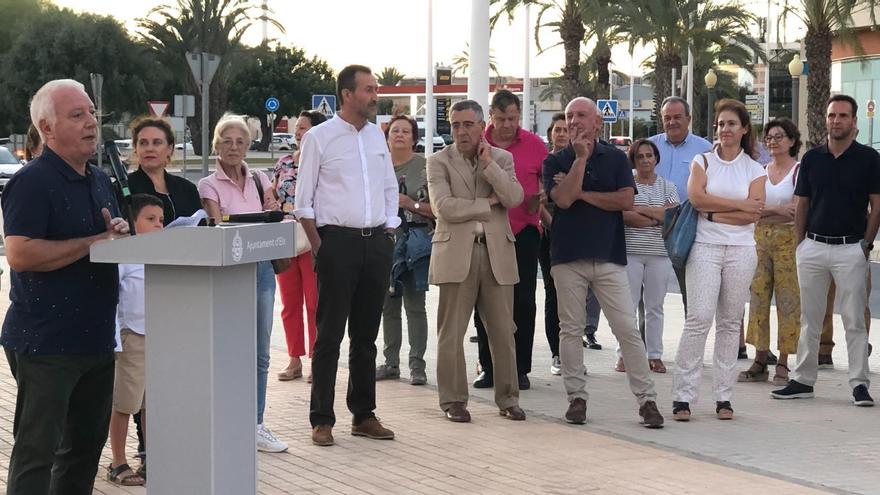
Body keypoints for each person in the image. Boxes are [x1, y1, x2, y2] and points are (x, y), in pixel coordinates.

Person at [2, 79, 129, 494]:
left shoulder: (97, 178)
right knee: (38, 454)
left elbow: (99, 241)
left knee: (83, 453)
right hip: (46, 343)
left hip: (95, 340)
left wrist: (114, 231)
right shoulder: (33, 181)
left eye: (92, 112)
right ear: (46, 126)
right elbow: (20, 254)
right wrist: (97, 242)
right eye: (77, 115)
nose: (91, 122)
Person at [544, 97, 664, 428]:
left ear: (597, 121)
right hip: (567, 257)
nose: (574, 121)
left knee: (626, 328)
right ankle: (576, 398)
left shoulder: (615, 158)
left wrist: (582, 194)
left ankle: (647, 400)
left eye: (581, 115)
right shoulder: (555, 161)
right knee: (570, 329)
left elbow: (625, 199)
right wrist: (580, 162)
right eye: (569, 116)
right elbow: (563, 199)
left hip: (609, 256)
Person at [295, 65, 398, 446]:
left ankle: (363, 414)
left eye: (375, 89)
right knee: (329, 336)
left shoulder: (376, 137)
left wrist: (389, 228)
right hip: (336, 243)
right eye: (369, 89)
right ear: (346, 94)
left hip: (376, 244)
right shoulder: (319, 138)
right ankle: (322, 419)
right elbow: (302, 203)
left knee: (366, 336)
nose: (375, 96)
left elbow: (389, 185)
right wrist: (321, 246)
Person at [772, 94, 880, 407]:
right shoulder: (812, 159)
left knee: (854, 320)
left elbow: (877, 206)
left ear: (854, 122)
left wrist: (866, 244)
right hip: (813, 248)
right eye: (832, 115)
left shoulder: (869, 159)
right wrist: (800, 244)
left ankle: (859, 384)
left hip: (851, 249)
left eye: (843, 116)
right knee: (810, 318)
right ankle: (803, 380)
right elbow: (802, 202)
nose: (836, 121)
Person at [427, 99, 526, 423]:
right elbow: (444, 208)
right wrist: (486, 203)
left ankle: (508, 398)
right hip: (456, 254)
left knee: (503, 331)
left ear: (483, 126)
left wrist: (489, 168)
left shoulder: (502, 158)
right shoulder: (438, 162)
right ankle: (453, 400)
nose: (461, 131)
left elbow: (514, 198)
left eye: (468, 124)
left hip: (497, 252)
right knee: (451, 333)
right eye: (455, 125)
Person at [671, 99, 767, 421]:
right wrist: (735, 205)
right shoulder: (702, 160)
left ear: (744, 129)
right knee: (698, 319)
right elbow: (696, 198)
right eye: (721, 124)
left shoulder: (755, 169)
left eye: (731, 124)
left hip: (741, 252)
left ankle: (724, 398)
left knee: (729, 323)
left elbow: (752, 215)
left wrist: (714, 212)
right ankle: (683, 397)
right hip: (705, 248)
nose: (725, 129)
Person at [197, 113, 287, 452]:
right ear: (217, 145)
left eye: (240, 142)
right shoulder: (208, 184)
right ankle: (227, 420)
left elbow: (272, 216)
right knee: (228, 348)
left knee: (260, 352)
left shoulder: (261, 179)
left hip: (261, 265)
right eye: (227, 141)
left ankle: (256, 422)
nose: (233, 148)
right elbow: (218, 225)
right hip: (229, 271)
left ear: (248, 146)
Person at [470, 90, 547, 391]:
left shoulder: (534, 144)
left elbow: (549, 181)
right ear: (491, 116)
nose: (507, 125)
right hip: (485, 229)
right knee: (485, 300)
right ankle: (488, 367)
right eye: (501, 119)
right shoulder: (477, 143)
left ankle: (520, 368)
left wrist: (542, 198)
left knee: (523, 301)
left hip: (524, 231)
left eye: (512, 119)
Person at [106, 194, 164, 487]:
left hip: (159, 338)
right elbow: (114, 299)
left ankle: (151, 457)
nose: (158, 225)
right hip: (133, 338)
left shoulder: (163, 254)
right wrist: (117, 340)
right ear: (132, 221)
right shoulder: (124, 255)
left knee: (152, 404)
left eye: (161, 221)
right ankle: (118, 461)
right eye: (150, 219)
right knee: (125, 403)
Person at [739, 118, 802, 386]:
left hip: (789, 241)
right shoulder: (761, 172)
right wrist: (776, 211)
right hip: (760, 240)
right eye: (770, 137)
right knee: (758, 298)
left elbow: (797, 210)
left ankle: (785, 361)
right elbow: (752, 207)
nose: (773, 141)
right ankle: (760, 358)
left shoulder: (799, 171)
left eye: (779, 136)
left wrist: (765, 211)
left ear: (791, 140)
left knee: (789, 301)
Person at [375, 115, 435, 385]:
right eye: (394, 130)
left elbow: (439, 209)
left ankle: (417, 365)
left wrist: (412, 204)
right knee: (388, 304)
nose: (399, 135)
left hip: (414, 244)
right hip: (383, 242)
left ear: (414, 137)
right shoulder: (377, 166)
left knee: (414, 304)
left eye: (405, 131)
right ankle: (390, 363)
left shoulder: (426, 168)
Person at [618, 139, 679, 374]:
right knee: (627, 306)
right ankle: (625, 355)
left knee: (655, 307)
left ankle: (654, 355)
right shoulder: (626, 184)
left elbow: (672, 216)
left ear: (656, 158)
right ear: (634, 160)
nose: (645, 160)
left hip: (659, 254)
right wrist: (655, 217)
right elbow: (624, 215)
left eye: (649, 155)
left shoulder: (667, 186)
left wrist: (641, 211)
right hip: (630, 252)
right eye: (640, 156)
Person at [275, 110, 326, 383]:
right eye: (297, 128)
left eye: (304, 128)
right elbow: (273, 195)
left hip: (312, 237)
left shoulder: (324, 163)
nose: (298, 132)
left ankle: (317, 359)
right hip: (284, 237)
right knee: (289, 302)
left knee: (314, 302)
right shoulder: (283, 163)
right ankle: (294, 358)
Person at [650, 96, 713, 312]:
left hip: (686, 229)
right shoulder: (650, 146)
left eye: (677, 117)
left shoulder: (706, 149)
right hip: (650, 228)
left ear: (689, 118)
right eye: (667, 118)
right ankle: (645, 344)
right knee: (647, 298)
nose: (672, 122)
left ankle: (691, 343)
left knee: (691, 294)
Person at [127, 116, 202, 225]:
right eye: (143, 143)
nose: (149, 149)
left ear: (169, 149)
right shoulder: (125, 188)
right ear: (136, 148)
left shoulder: (187, 189)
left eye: (157, 142)